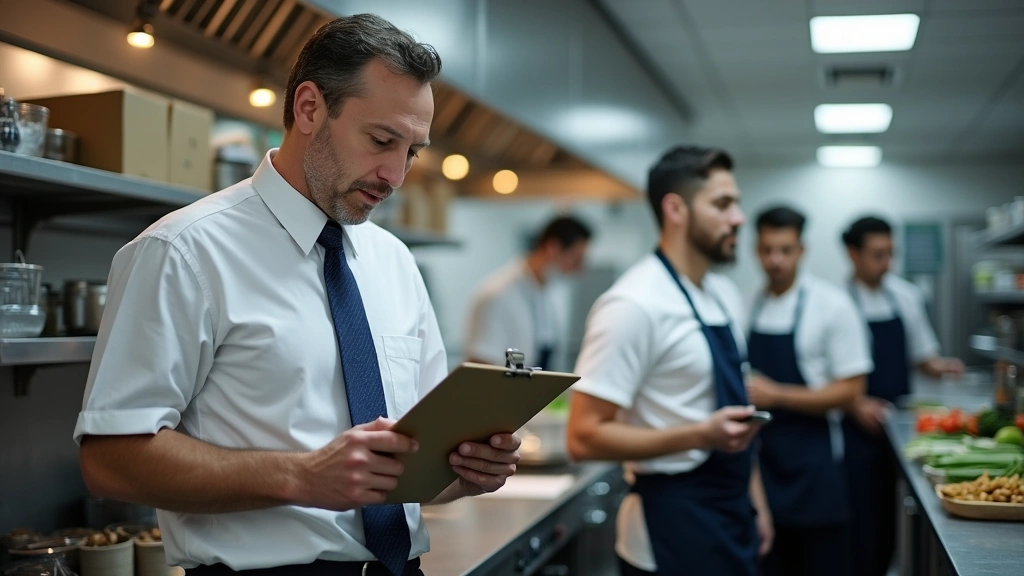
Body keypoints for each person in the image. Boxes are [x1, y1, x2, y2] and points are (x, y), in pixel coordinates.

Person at [73, 15, 520, 576]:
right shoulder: (183, 251)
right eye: (382, 140)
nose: (395, 174)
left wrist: (465, 471)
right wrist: (300, 476)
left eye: (412, 151)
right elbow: (110, 460)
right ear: (309, 108)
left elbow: (416, 472)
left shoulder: (394, 262)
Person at [565, 146, 771, 576]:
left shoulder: (723, 295)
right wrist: (699, 435)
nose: (739, 218)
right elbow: (583, 437)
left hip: (732, 514)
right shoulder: (633, 304)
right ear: (675, 209)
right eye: (722, 204)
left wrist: (756, 501)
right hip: (669, 526)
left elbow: (738, 418)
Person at [744, 207, 873, 576]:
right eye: (767, 250)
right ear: (756, 249)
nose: (775, 260)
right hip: (762, 468)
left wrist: (778, 395)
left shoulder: (832, 305)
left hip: (815, 471)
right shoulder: (747, 303)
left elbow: (851, 391)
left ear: (802, 249)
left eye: (785, 250)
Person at [840, 215, 964, 576]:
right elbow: (827, 376)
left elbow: (923, 359)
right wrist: (855, 403)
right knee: (861, 518)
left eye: (889, 254)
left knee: (896, 519)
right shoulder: (837, 302)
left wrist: (944, 367)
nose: (886, 263)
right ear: (853, 254)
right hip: (854, 431)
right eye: (877, 255)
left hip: (903, 426)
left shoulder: (905, 297)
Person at [464, 215, 591, 371]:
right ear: (553, 248)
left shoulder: (554, 294)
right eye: (576, 259)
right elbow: (480, 364)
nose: (579, 269)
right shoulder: (497, 294)